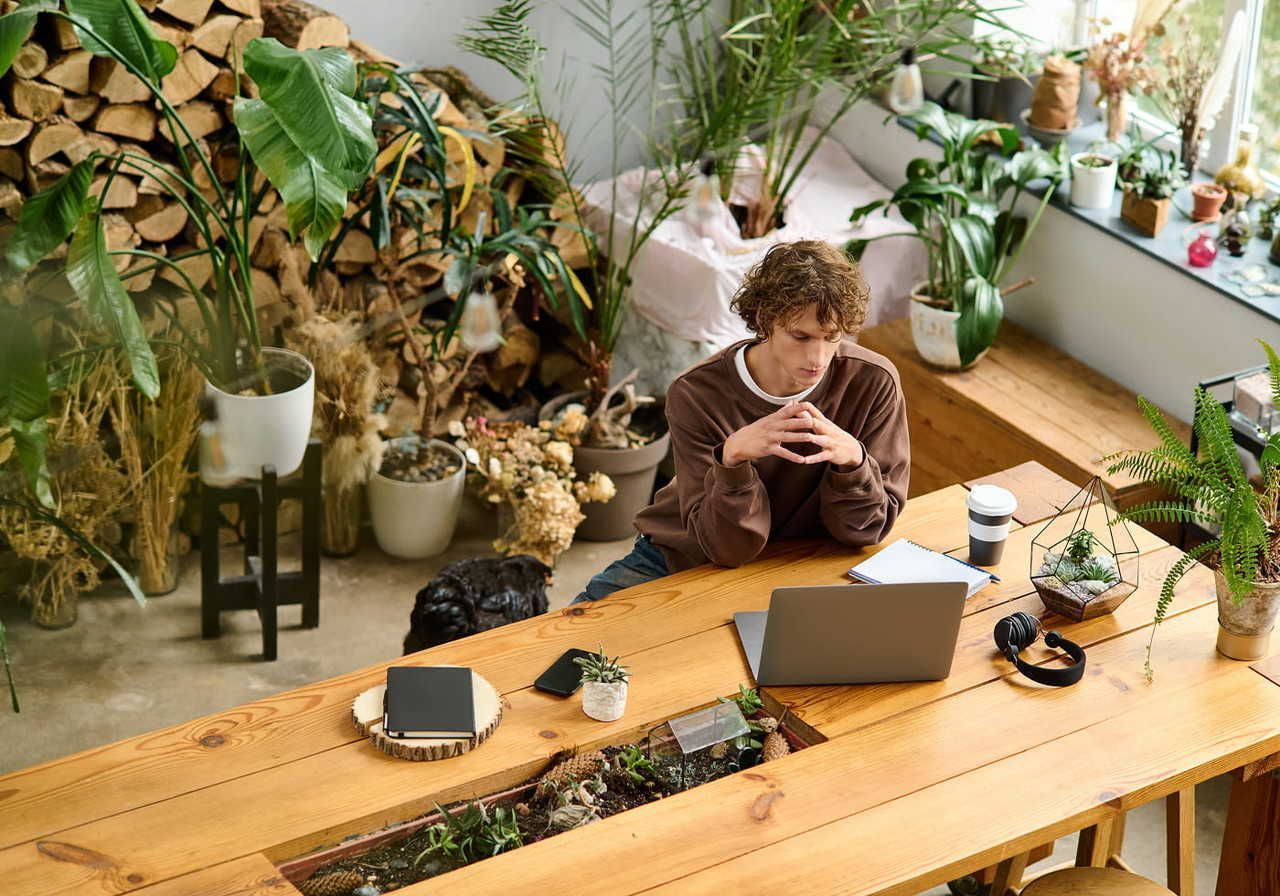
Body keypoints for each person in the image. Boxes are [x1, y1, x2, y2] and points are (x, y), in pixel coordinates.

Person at [574, 239, 910, 602]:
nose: (818, 356)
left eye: (832, 338)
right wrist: (731, 460)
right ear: (766, 321)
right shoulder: (697, 393)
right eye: (801, 336)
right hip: (686, 555)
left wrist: (854, 463)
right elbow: (724, 549)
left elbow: (867, 531)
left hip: (804, 561)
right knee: (567, 643)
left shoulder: (872, 383)